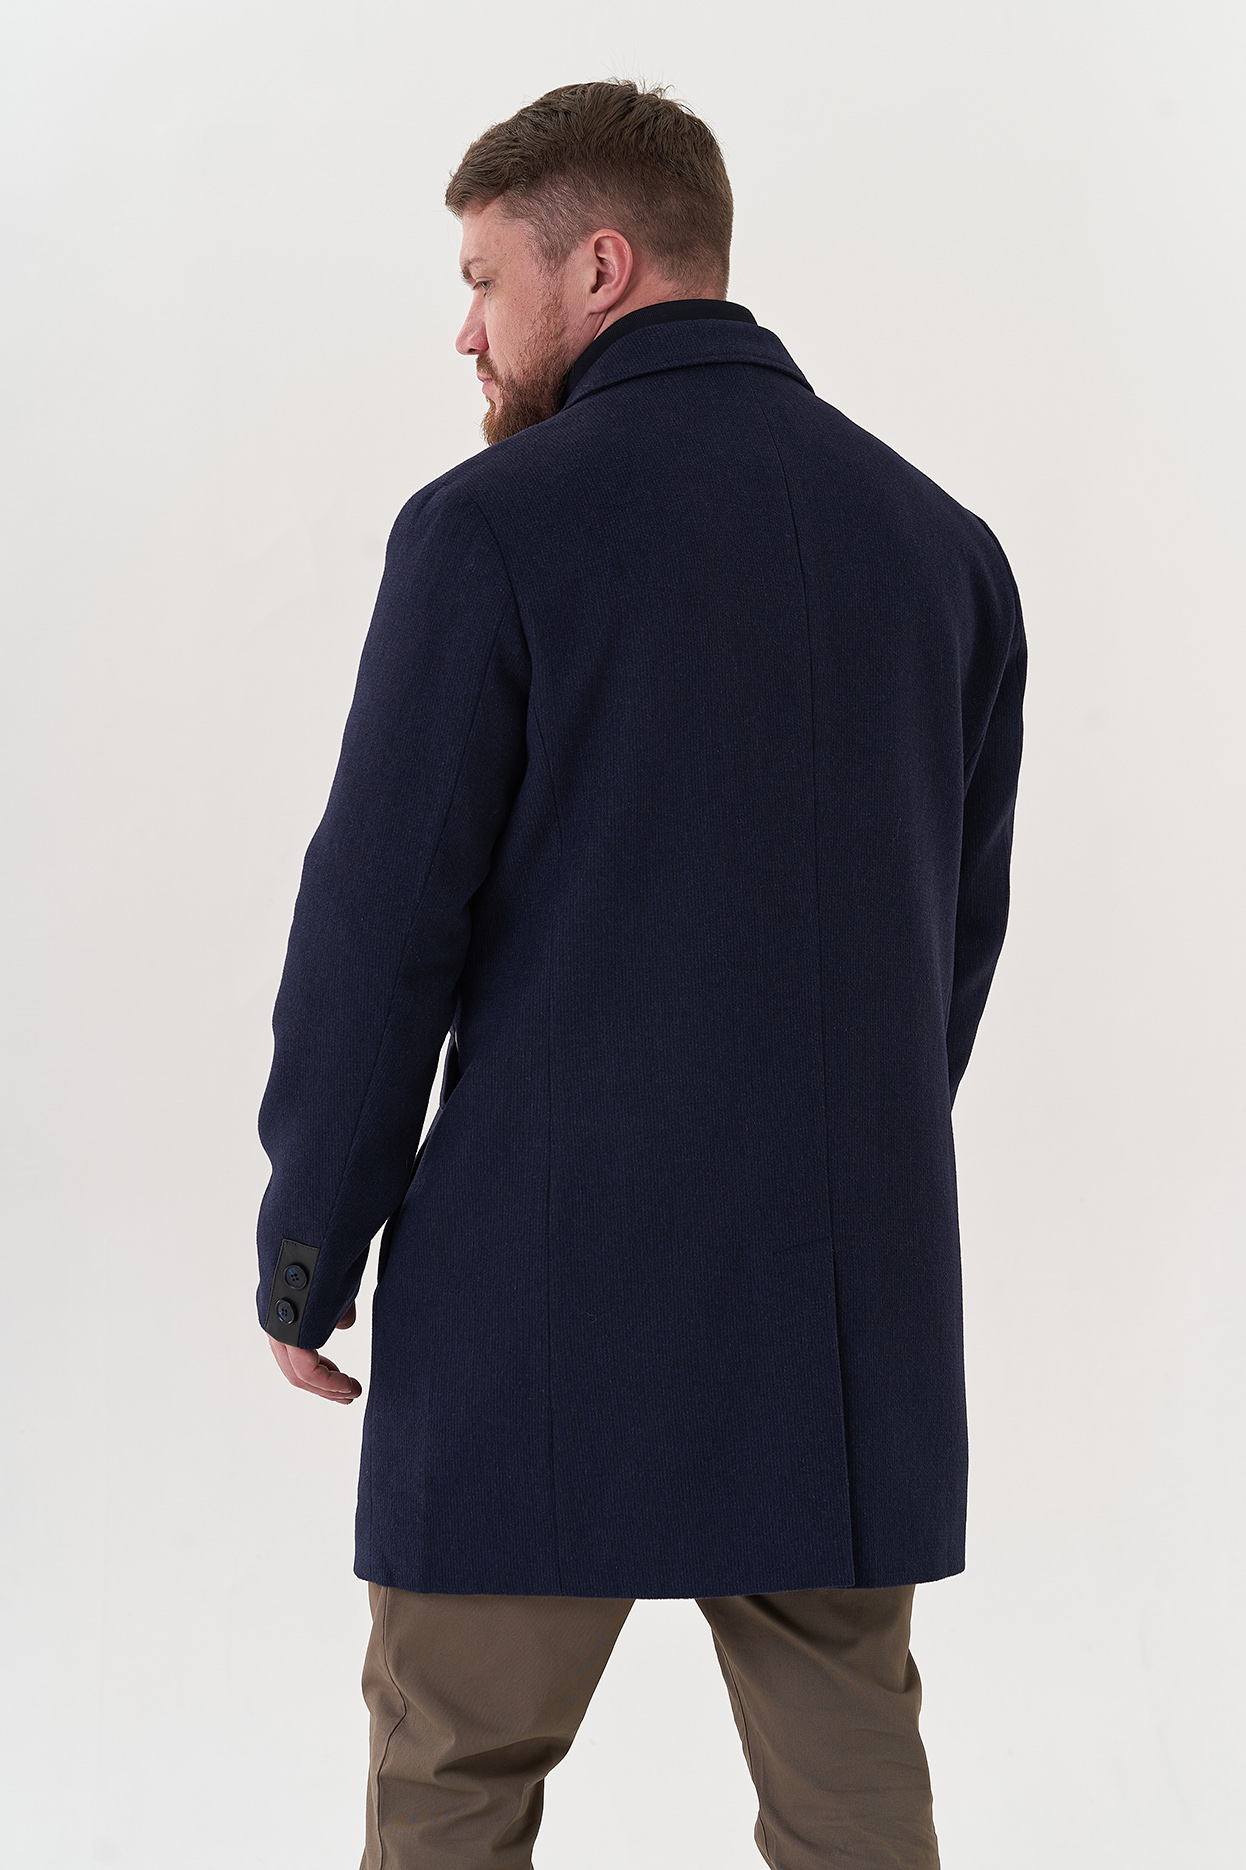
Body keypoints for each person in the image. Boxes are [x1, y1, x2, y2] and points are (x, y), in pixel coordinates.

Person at [255, 78, 1025, 1870]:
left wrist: (310, 1243)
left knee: (451, 1785)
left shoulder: (488, 528)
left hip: (536, 1304)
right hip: (836, 1325)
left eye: (483, 279)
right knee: (855, 1810)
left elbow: (378, 926)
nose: (466, 329)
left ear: (596, 266)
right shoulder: (943, 549)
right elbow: (948, 950)